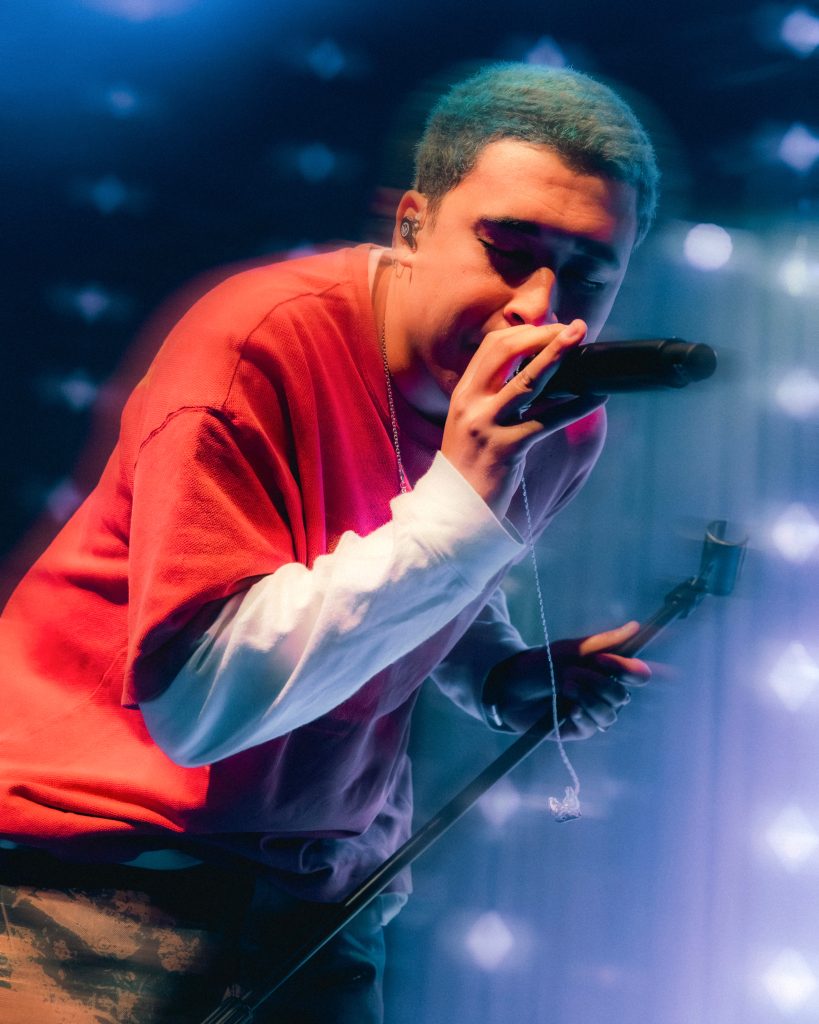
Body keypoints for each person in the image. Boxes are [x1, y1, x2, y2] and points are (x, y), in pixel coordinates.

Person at [0, 63, 658, 1023]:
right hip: (94, 870)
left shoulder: (559, 424)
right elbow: (198, 712)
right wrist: (463, 503)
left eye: (589, 274)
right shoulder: (254, 343)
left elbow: (435, 582)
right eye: (506, 251)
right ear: (410, 227)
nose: (539, 307)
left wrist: (496, 673)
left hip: (320, 895)